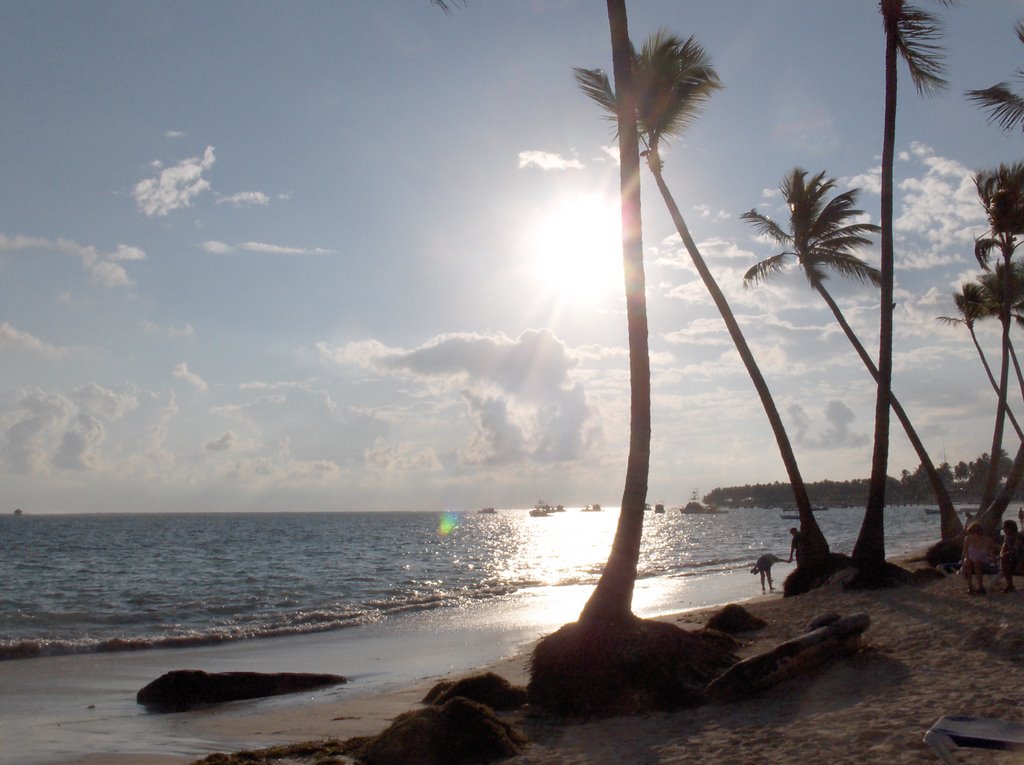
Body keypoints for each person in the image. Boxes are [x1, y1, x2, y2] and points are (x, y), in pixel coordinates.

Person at [961, 521, 999, 595]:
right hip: (970, 562)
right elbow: (964, 553)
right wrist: (962, 563)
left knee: (976, 562)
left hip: (983, 562)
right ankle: (970, 587)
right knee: (968, 561)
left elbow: (992, 554)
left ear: (978, 532)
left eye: (973, 533)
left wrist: (995, 565)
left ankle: (981, 587)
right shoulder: (968, 539)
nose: (971, 535)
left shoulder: (987, 540)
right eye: (970, 533)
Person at [1000, 519, 1024, 593]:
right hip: (1012, 558)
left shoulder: (1019, 537)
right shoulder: (1007, 538)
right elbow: (1002, 549)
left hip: (1021, 558)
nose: (1003, 530)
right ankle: (1010, 585)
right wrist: (1002, 555)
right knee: (1005, 559)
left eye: (1005, 528)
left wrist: (1019, 563)